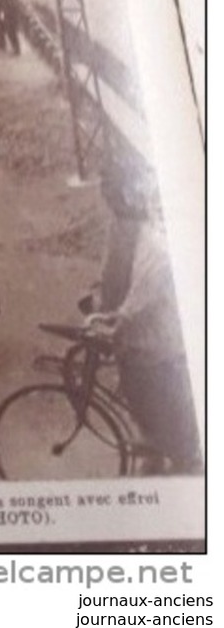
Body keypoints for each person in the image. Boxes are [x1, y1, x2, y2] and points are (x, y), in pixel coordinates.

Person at [86, 162, 201, 474]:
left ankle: (186, 461)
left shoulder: (155, 246)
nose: (112, 209)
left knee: (166, 404)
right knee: (139, 397)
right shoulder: (120, 230)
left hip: (155, 339)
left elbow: (142, 293)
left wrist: (116, 319)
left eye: (115, 199)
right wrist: (96, 296)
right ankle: (154, 449)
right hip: (132, 340)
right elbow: (109, 270)